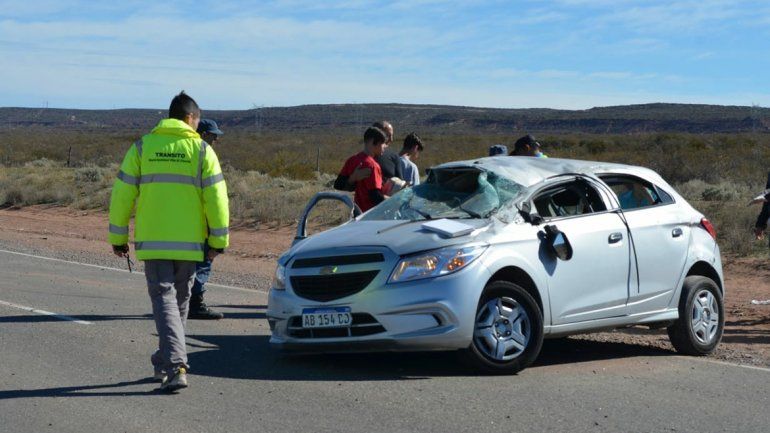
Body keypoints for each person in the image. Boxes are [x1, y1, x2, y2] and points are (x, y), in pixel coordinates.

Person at [108, 91, 229, 393]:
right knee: (178, 302)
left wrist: (118, 236)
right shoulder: (202, 151)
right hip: (189, 243)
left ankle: (170, 363)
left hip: (154, 240)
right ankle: (172, 363)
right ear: (190, 118)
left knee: (166, 301)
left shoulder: (142, 147)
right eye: (197, 120)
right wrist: (218, 240)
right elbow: (217, 200)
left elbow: (122, 195)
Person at [189, 119, 226, 320]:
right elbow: (215, 199)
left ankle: (183, 303)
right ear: (202, 134)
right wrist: (219, 237)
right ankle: (195, 304)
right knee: (203, 262)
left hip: (182, 223)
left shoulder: (185, 154)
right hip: (201, 224)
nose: (215, 140)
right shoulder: (204, 155)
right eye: (213, 136)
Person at [334, 120, 403, 192]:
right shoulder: (356, 160)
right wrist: (353, 178)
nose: (391, 139)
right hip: (366, 202)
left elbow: (400, 186)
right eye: (388, 135)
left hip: (387, 202)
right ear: (375, 134)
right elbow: (338, 185)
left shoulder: (394, 157)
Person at [335, 127, 389, 212]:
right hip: (371, 215)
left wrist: (352, 179)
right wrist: (394, 200)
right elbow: (375, 197)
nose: (385, 147)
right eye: (383, 143)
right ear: (373, 142)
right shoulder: (373, 165)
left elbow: (338, 184)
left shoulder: (352, 160)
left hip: (357, 213)